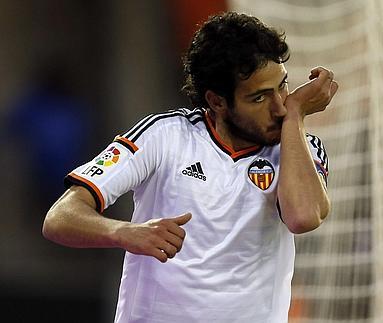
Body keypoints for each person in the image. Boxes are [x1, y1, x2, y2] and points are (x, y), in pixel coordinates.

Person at [42, 11, 338, 323]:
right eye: (259, 98)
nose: (279, 106)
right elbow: (59, 218)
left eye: (283, 87)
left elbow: (303, 217)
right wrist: (124, 232)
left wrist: (296, 118)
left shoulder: (299, 147)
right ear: (218, 101)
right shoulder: (165, 135)